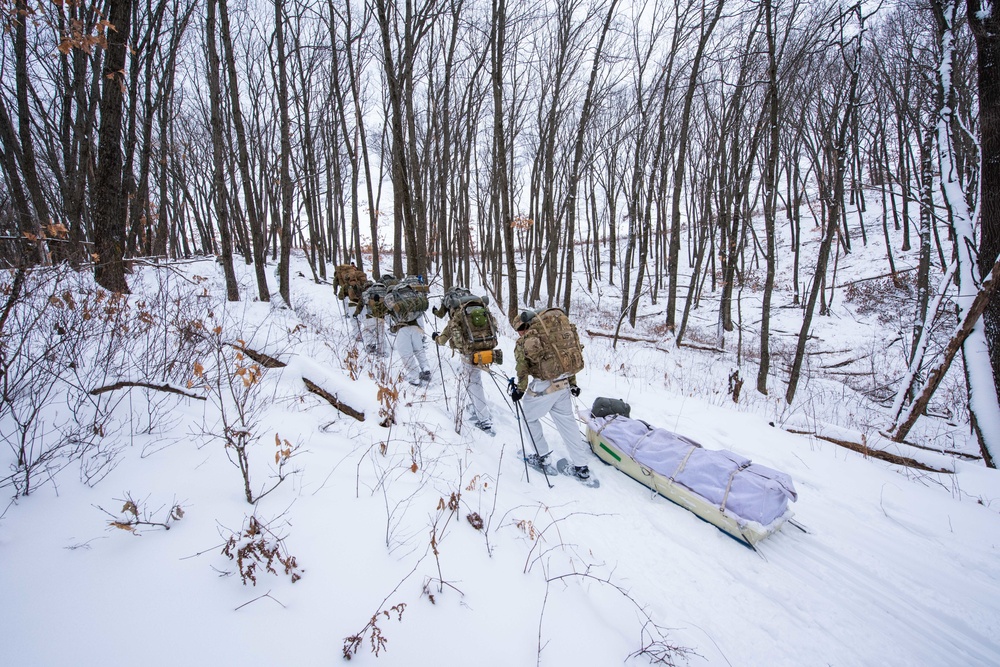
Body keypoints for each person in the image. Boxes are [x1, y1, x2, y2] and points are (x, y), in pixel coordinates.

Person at [509, 309, 591, 480]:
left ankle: (542, 457)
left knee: (528, 417)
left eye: (518, 329)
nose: (519, 333)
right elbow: (564, 360)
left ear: (523, 327)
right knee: (568, 423)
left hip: (544, 385)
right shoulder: (552, 335)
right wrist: (573, 383)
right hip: (563, 384)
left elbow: (522, 369)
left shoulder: (526, 340)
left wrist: (520, 390)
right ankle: (581, 466)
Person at [432, 291, 497, 436]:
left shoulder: (458, 316)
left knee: (474, 381)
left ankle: (484, 419)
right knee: (473, 379)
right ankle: (478, 408)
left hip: (469, 352)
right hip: (485, 346)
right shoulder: (482, 311)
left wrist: (436, 337)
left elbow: (442, 340)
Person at [388, 278, 432, 386]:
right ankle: (425, 368)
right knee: (419, 349)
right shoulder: (411, 296)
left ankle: (414, 377)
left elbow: (383, 311)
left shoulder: (392, 300)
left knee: (406, 353)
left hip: (403, 329)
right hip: (415, 326)